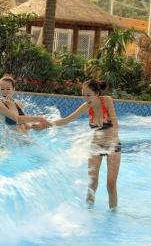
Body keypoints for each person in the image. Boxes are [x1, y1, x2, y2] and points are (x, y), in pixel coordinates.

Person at [53, 79, 121, 209]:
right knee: (92, 183)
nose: (85, 98)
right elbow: (66, 120)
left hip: (113, 145)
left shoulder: (106, 100)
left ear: (97, 94)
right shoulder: (86, 106)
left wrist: (113, 137)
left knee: (110, 185)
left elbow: (115, 122)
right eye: (83, 94)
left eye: (88, 95)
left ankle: (113, 214)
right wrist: (46, 124)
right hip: (95, 146)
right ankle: (89, 212)